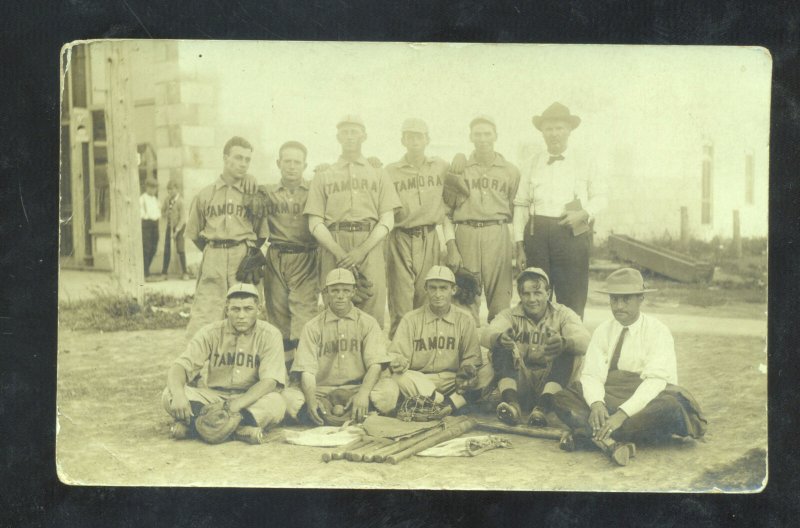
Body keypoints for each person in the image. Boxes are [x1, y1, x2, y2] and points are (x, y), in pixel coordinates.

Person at [551, 268, 707, 465]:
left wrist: (622, 415)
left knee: (671, 408)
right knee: (562, 398)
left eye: (626, 299)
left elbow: (655, 381)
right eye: (614, 300)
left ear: (641, 298)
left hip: (647, 400)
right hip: (610, 395)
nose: (619, 306)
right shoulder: (603, 330)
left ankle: (589, 435)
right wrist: (597, 404)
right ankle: (616, 439)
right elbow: (592, 375)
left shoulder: (658, 331)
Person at [304, 115, 402, 329]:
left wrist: (361, 251)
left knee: (372, 305)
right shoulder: (324, 174)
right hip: (333, 243)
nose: (349, 136)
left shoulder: (378, 172)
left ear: (363, 136)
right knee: (335, 308)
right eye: (345, 132)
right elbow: (314, 222)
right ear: (338, 136)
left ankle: (372, 360)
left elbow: (387, 218)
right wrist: (339, 252)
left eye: (354, 132)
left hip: (370, 243)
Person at [513, 102, 607, 319]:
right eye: (549, 129)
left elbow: (601, 197)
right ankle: (538, 347)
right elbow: (520, 205)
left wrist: (584, 213)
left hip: (573, 232)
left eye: (559, 128)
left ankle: (571, 349)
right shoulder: (531, 163)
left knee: (572, 297)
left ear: (569, 130)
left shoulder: (586, 160)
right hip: (537, 233)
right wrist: (519, 246)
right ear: (542, 132)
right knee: (535, 294)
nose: (554, 134)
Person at [162, 283, 287, 444]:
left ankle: (194, 428)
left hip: (249, 399)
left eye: (248, 309)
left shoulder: (270, 334)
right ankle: (240, 431)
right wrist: (179, 395)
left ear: (259, 309)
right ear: (226, 309)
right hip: (213, 398)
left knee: (277, 404)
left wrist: (235, 405)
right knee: (169, 394)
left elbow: (269, 382)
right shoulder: (210, 332)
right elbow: (179, 367)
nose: (241, 315)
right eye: (235, 309)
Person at [282, 268, 400, 424]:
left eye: (346, 290)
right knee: (289, 399)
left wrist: (363, 394)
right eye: (335, 290)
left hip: (357, 388)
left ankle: (333, 415)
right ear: (326, 292)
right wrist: (311, 400)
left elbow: (375, 365)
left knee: (388, 393)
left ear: (353, 292)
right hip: (321, 390)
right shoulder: (312, 326)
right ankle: (349, 414)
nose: (340, 296)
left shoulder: (368, 322)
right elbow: (307, 372)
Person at [482, 267, 590, 426]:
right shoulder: (510, 314)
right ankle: (512, 405)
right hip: (520, 383)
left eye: (537, 293)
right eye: (526, 294)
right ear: (520, 295)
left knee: (568, 349)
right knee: (500, 346)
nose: (532, 299)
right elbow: (487, 333)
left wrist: (565, 342)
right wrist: (500, 338)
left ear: (548, 293)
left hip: (553, 384)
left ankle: (543, 409)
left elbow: (585, 340)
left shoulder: (563, 314)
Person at [185, 136, 269, 338]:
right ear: (225, 158)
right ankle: (197, 367)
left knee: (247, 315)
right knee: (204, 316)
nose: (243, 164)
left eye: (247, 160)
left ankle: (248, 367)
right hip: (213, 256)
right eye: (238, 157)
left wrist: (249, 252)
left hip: (243, 259)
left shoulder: (253, 195)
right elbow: (194, 234)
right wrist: (214, 250)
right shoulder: (205, 195)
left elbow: (261, 233)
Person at [444, 115, 520, 325]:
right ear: (470, 137)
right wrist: (451, 246)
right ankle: (467, 354)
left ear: (496, 136)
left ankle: (499, 354)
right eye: (478, 134)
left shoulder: (511, 170)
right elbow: (446, 213)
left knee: (501, 300)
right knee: (465, 297)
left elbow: (517, 210)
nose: (483, 138)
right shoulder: (459, 168)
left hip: (498, 232)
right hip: (466, 231)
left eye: (487, 134)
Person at [389, 265, 494, 415]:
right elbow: (396, 355)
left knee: (489, 370)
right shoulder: (410, 319)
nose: (437, 294)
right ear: (426, 289)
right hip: (421, 381)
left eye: (443, 288)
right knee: (398, 378)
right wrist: (399, 361)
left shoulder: (465, 319)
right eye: (433, 288)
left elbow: (472, 358)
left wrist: (466, 372)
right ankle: (451, 404)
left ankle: (437, 404)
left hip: (453, 381)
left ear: (453, 290)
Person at [384, 118, 453, 338]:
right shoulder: (390, 171)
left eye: (419, 136)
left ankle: (423, 356)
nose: (414, 140)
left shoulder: (441, 166)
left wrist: (461, 157)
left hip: (430, 236)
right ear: (402, 139)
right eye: (409, 136)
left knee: (428, 297)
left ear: (427, 139)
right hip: (400, 237)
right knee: (401, 302)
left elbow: (457, 189)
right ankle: (398, 355)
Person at [257, 141, 320, 367]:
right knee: (278, 316)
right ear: (278, 163)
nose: (292, 166)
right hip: (277, 256)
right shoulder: (266, 192)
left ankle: (304, 371)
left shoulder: (315, 189)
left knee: (304, 316)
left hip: (306, 257)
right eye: (287, 161)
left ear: (304, 165)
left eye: (297, 162)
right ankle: (282, 372)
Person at [161, 180, 189, 280]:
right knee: (167, 249)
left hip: (180, 227)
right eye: (168, 190)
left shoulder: (181, 201)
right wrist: (166, 214)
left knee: (180, 249)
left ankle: (185, 272)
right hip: (170, 226)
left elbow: (183, 218)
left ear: (177, 189)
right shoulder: (167, 200)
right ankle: (164, 273)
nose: (170, 192)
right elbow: (162, 211)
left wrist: (176, 231)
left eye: (172, 189)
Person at [139, 178, 161, 279]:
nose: (153, 190)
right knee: (146, 248)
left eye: (155, 188)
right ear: (147, 187)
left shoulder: (155, 199)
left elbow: (158, 212)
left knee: (154, 247)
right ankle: (145, 272)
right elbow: (141, 214)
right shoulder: (142, 199)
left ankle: (146, 268)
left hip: (155, 224)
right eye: (151, 188)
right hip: (146, 224)